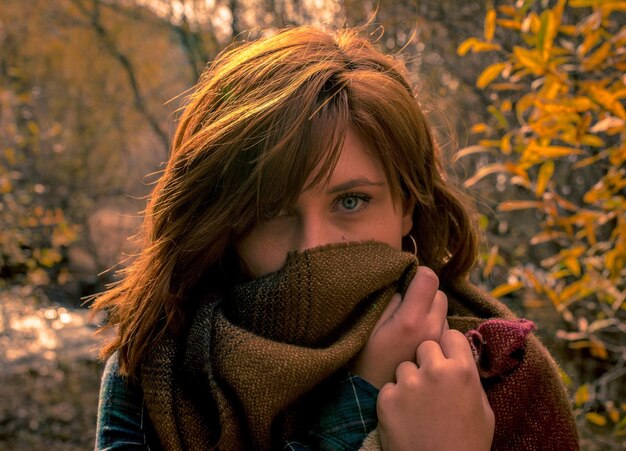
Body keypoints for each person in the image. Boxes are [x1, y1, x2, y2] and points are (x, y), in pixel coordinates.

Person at [94, 25, 579, 450]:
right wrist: (357, 404)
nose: (312, 247)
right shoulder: (157, 367)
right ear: (226, 222)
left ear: (406, 207)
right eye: (271, 211)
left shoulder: (503, 372)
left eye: (351, 202)